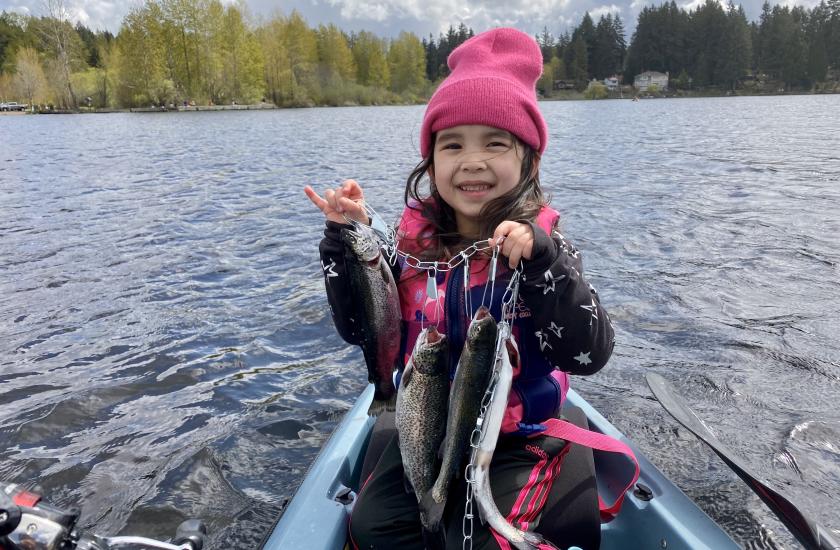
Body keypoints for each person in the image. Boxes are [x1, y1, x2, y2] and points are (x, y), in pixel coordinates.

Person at [304, 27, 614, 550]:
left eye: (495, 143)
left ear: (528, 161)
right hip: (427, 428)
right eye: (453, 145)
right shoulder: (405, 249)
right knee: (374, 529)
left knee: (479, 541)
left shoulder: (544, 249)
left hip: (516, 439)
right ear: (432, 163)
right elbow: (357, 326)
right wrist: (344, 240)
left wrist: (543, 261)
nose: (472, 161)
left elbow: (589, 353)